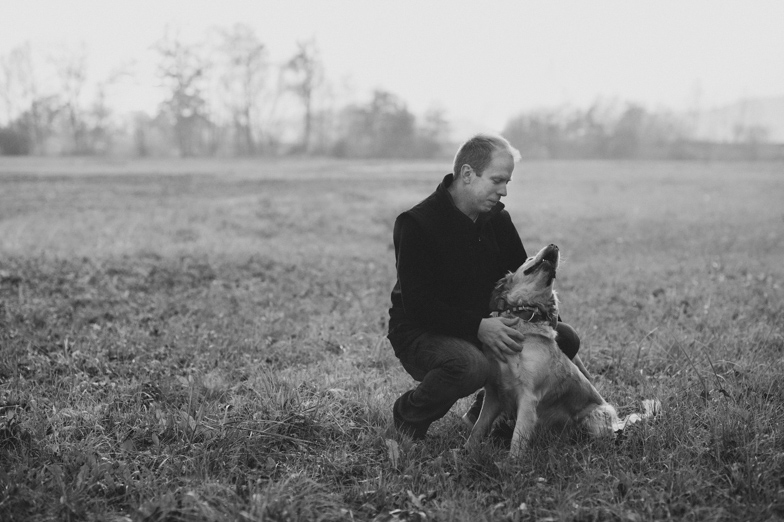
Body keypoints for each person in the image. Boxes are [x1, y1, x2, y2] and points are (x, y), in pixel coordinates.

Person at [387, 133, 588, 440]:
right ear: (468, 174)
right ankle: (407, 419)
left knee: (564, 338)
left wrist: (554, 336)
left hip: (487, 323)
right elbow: (418, 305)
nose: (504, 191)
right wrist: (479, 326)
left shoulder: (498, 220)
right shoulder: (417, 224)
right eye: (497, 180)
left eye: (507, 182)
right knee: (471, 366)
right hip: (423, 331)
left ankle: (485, 416)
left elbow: (527, 285)